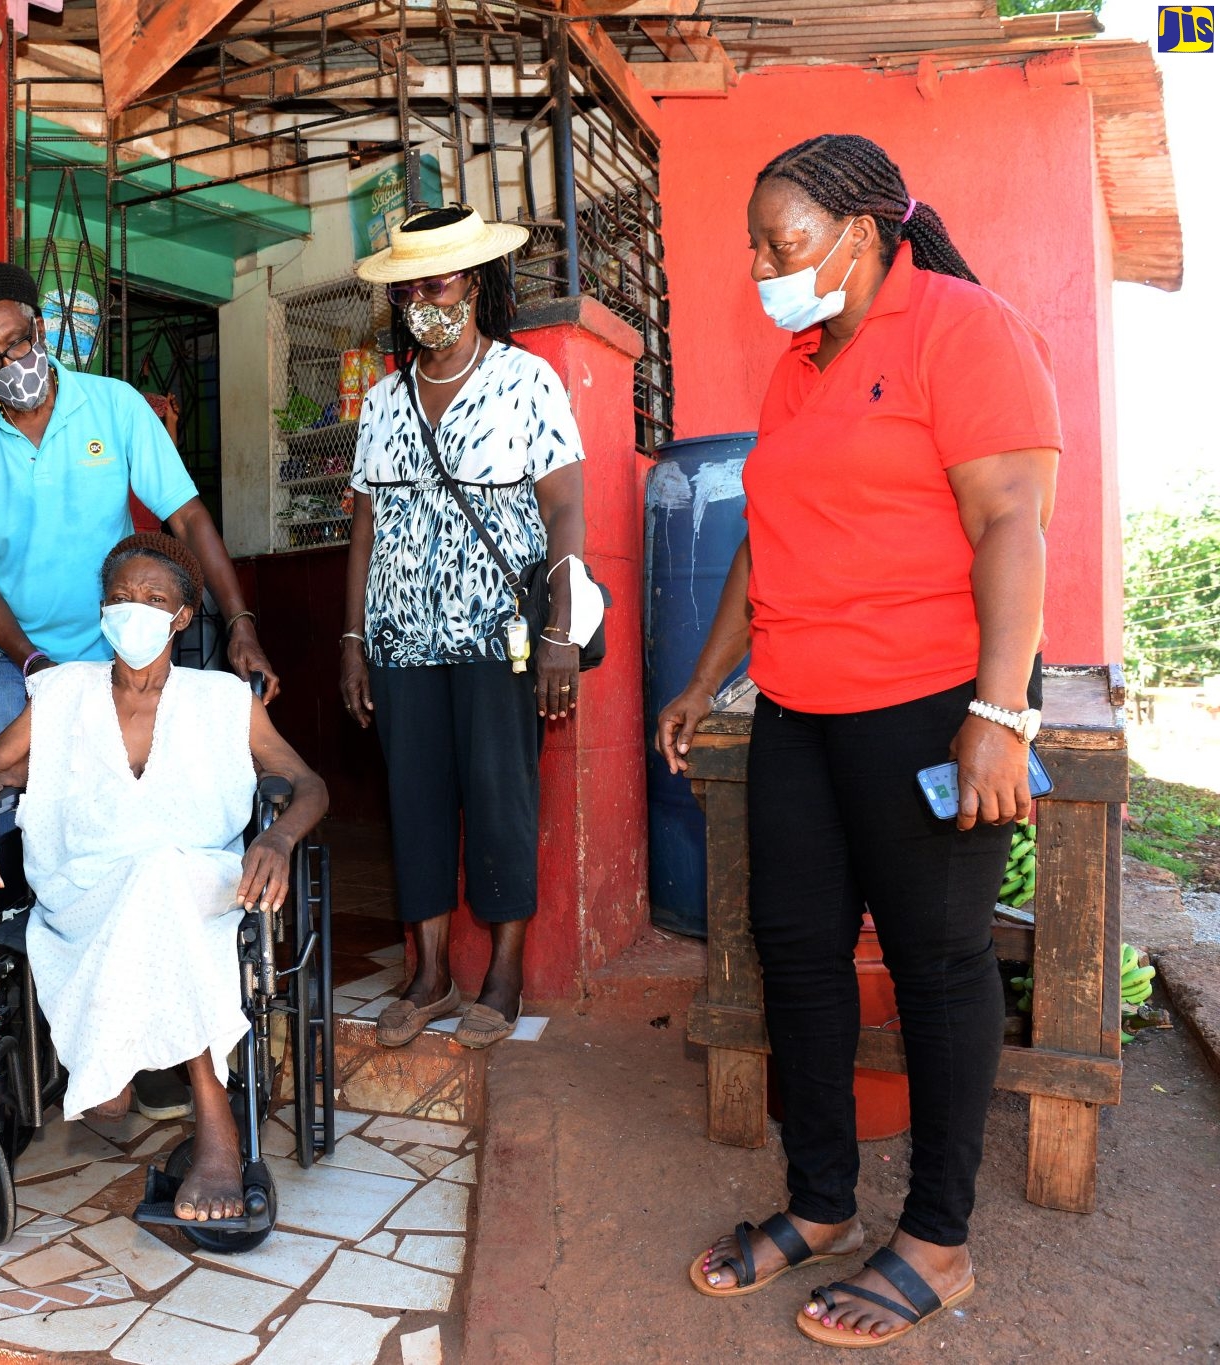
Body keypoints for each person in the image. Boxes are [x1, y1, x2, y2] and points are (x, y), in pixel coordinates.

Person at [655, 134, 1059, 1348]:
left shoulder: (962, 330)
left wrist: (995, 716)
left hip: (927, 704)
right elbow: (761, 541)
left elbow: (1011, 526)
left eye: (782, 243)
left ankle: (936, 1242)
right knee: (795, 951)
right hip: (798, 705)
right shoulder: (797, 364)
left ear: (861, 230)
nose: (764, 265)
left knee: (936, 966)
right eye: (754, 247)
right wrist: (703, 679)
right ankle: (821, 1203)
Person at [0, 260, 281, 1120]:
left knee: (147, 838)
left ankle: (151, 1035)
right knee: (29, 857)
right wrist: (33, 664)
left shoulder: (114, 405)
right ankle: (71, 1041)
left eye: (21, 340)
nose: (12, 361)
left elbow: (188, 518)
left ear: (42, 327)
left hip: (131, 660)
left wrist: (236, 616)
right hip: (22, 670)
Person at [0, 533, 329, 1220]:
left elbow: (308, 783)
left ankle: (205, 1118)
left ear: (182, 616)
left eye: (154, 599)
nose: (134, 610)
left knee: (162, 876)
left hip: (200, 884)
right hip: (87, 886)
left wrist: (278, 835)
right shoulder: (62, 695)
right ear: (102, 610)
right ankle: (126, 1071)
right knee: (148, 878)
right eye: (120, 598)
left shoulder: (222, 699)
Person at [339, 205, 589, 1051]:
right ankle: (430, 972)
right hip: (402, 634)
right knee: (414, 800)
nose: (421, 300)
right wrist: (353, 638)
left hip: (500, 634)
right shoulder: (381, 401)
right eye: (409, 286)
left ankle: (505, 973)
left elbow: (563, 508)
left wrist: (560, 628)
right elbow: (365, 525)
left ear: (475, 284)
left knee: (500, 796)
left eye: (436, 282)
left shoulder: (528, 382)